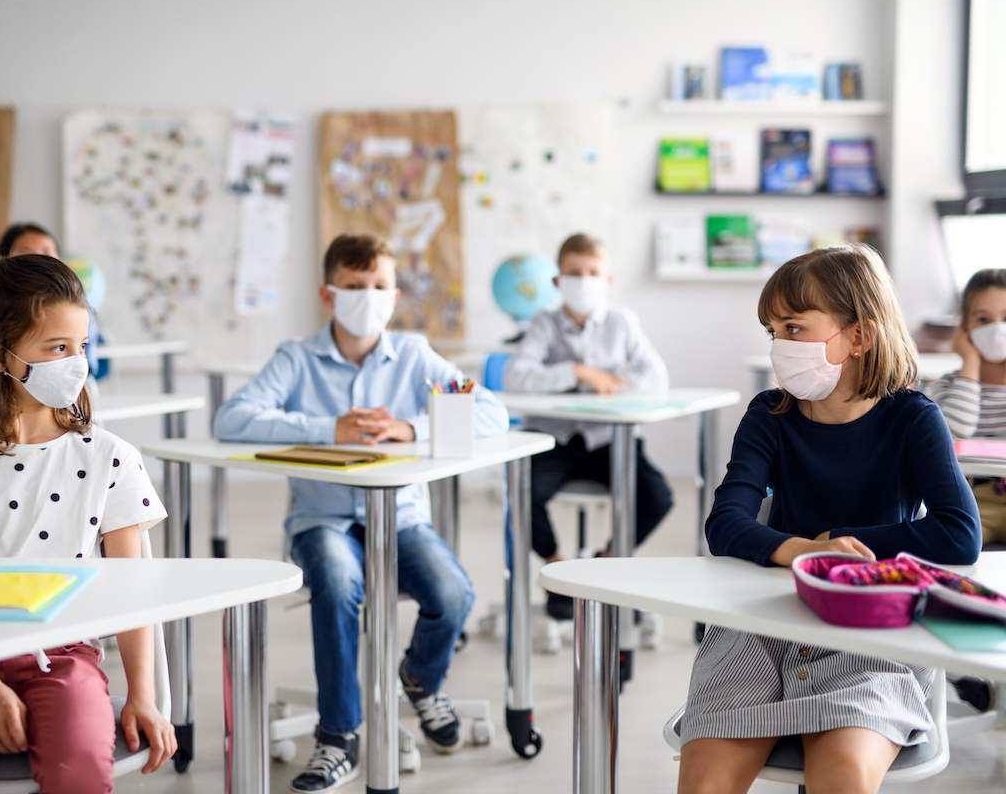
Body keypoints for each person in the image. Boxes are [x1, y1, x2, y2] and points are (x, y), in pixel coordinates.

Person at [679, 244, 980, 794]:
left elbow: (960, 534)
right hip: (764, 623)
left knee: (841, 779)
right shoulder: (769, 415)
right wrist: (803, 550)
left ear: (859, 336)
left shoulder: (915, 418)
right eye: (772, 331)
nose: (778, 347)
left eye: (793, 328)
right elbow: (725, 524)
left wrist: (844, 545)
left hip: (871, 633)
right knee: (703, 785)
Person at [215, 234, 509, 794]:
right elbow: (233, 418)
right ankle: (338, 737)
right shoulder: (296, 359)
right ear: (329, 294)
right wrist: (327, 429)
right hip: (321, 521)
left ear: (394, 295)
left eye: (378, 287)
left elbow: (492, 412)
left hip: (400, 520)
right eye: (354, 287)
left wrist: (412, 428)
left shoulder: (417, 356)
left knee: (453, 595)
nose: (367, 296)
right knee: (336, 580)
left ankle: (421, 680)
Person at [0, 255, 175, 794]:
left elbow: (135, 594)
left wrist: (143, 696)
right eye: (57, 349)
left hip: (67, 658)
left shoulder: (110, 458)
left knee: (78, 773)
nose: (76, 364)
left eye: (82, 347)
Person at [502, 232, 672, 622]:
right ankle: (558, 569)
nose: (583, 280)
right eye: (573, 272)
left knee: (657, 496)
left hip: (607, 441)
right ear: (557, 281)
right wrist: (581, 373)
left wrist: (608, 381)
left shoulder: (622, 322)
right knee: (521, 494)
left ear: (607, 281)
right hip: (552, 441)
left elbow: (655, 378)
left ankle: (601, 565)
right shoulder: (543, 323)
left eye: (592, 272)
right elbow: (516, 376)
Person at [928, 268, 1006, 543]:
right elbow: (952, 434)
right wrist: (970, 366)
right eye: (984, 319)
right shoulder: (946, 386)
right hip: (973, 501)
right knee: (952, 544)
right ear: (965, 328)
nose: (997, 328)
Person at [0, 222, 100, 380]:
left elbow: (88, 361)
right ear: (4, 258)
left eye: (46, 251)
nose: (39, 259)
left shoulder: (75, 302)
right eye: (26, 252)